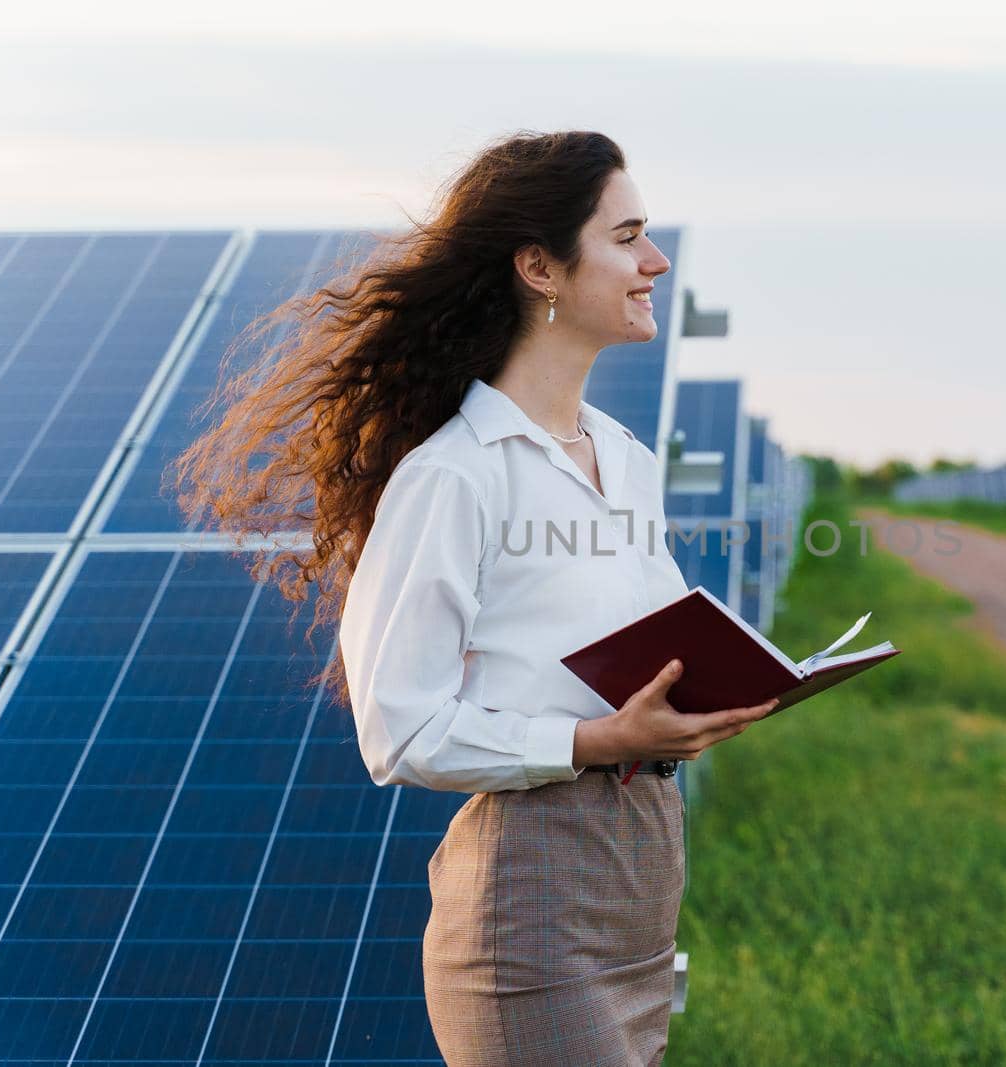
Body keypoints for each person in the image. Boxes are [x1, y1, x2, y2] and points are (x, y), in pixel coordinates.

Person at [322, 131, 778, 1065]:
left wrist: (702, 699)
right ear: (541, 267)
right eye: (628, 237)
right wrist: (596, 741)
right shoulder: (455, 475)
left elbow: (627, 666)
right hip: (530, 909)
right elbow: (399, 732)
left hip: (640, 890)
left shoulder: (629, 461)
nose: (655, 261)